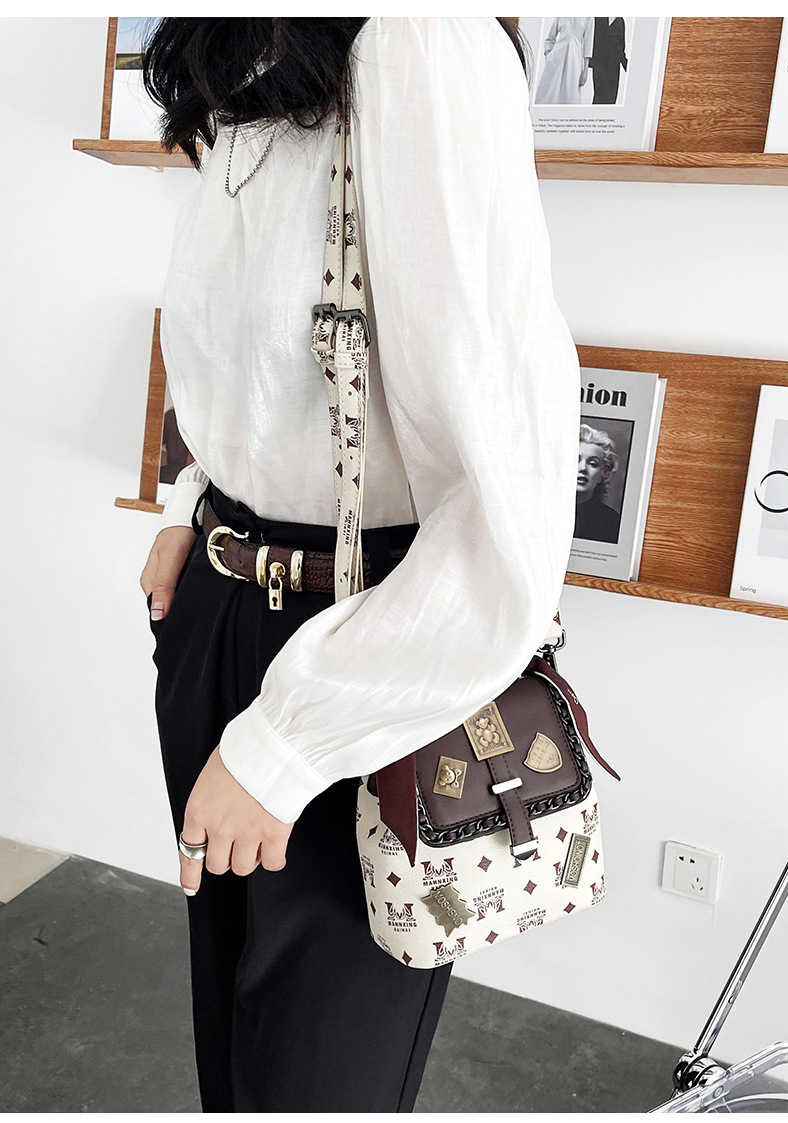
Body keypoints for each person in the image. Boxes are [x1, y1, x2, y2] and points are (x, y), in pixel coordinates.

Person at [138, 16, 581, 1113]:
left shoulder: (422, 44)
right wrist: (193, 506)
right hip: (220, 609)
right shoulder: (251, 51)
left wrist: (290, 742)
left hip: (370, 645)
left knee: (315, 1079)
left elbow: (501, 494)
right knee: (233, 1051)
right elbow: (253, 354)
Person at [575, 422, 622, 543]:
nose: (583, 468)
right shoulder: (539, 509)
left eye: (593, 463)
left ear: (604, 474)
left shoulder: (612, 523)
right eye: (575, 460)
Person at [535, 16, 594, 104]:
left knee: (570, 97)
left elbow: (588, 45)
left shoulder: (589, 18)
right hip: (556, 61)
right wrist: (548, 56)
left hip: (574, 63)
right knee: (548, 96)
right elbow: (549, 39)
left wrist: (585, 71)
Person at [590, 17, 628, 105]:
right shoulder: (598, 18)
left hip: (614, 67)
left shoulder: (620, 21)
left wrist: (627, 65)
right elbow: (593, 41)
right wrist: (589, 62)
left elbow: (621, 47)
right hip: (599, 65)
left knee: (611, 99)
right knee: (599, 97)